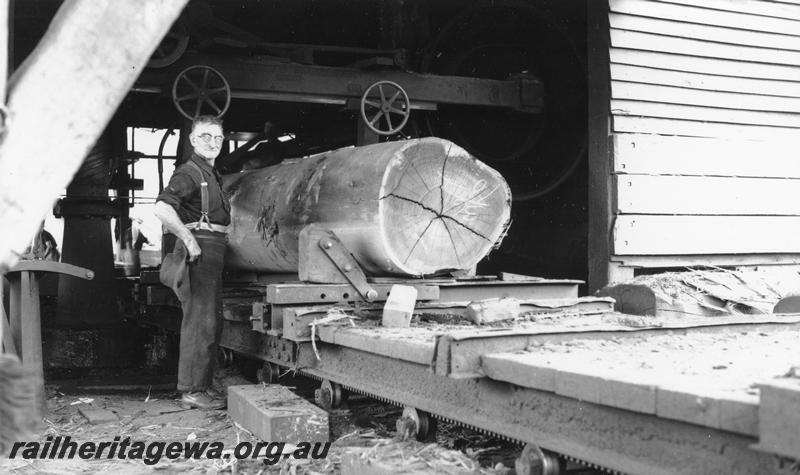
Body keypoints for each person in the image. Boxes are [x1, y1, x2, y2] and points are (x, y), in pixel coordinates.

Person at [154, 115, 231, 410]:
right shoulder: (188, 173)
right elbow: (161, 208)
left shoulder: (211, 174)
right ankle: (191, 391)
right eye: (205, 137)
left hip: (213, 250)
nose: (212, 143)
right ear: (193, 140)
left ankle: (201, 386)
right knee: (200, 321)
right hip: (200, 250)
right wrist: (188, 239)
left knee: (209, 320)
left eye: (218, 138)